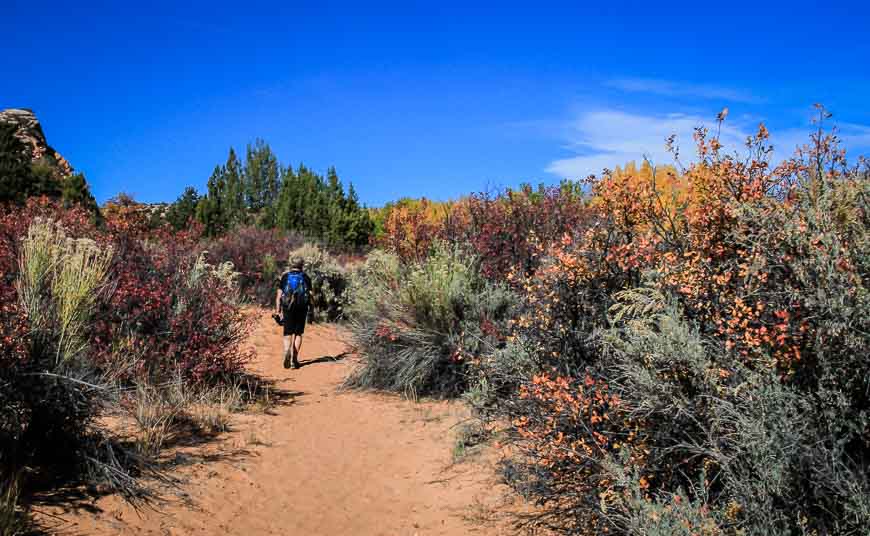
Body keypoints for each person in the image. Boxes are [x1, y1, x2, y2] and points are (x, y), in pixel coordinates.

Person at [275, 257, 312, 369]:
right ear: (302, 265)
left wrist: (278, 311)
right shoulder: (306, 277)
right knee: (298, 333)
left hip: (288, 307)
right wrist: (312, 310)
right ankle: (294, 360)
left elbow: (278, 296)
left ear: (291, 264)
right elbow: (310, 295)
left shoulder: (285, 276)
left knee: (287, 333)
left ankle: (287, 351)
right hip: (302, 307)